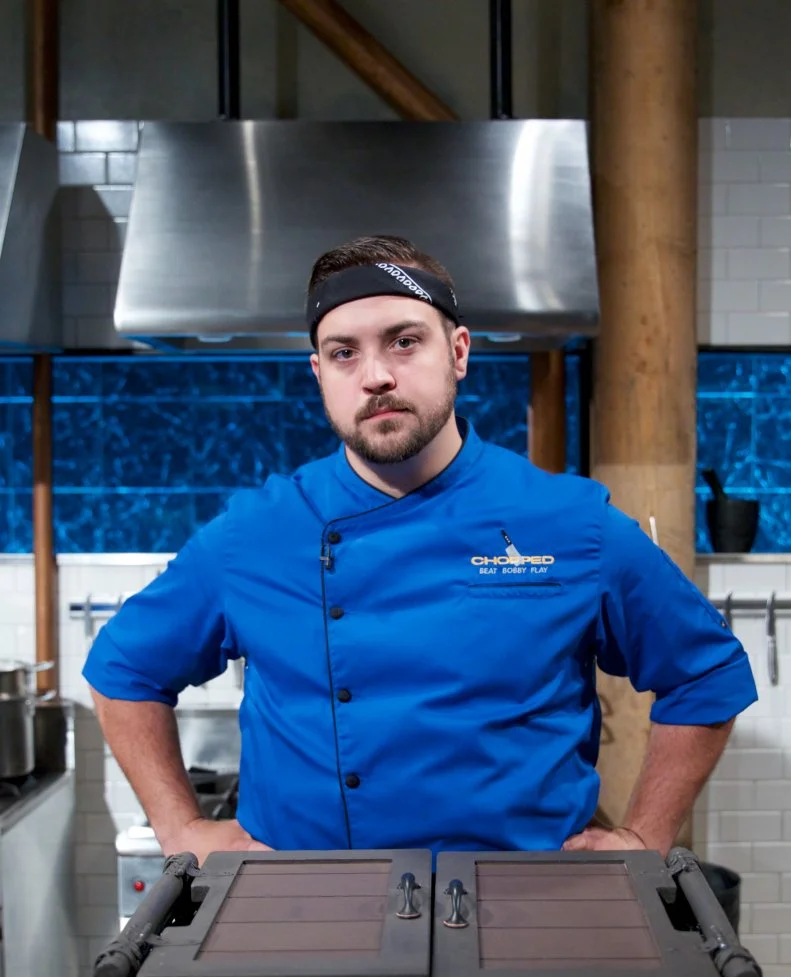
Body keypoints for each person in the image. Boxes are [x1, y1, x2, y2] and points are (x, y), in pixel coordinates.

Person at [83, 234, 757, 866]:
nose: (374, 375)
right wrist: (182, 829)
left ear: (458, 352)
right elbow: (123, 668)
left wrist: (642, 836)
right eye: (344, 353)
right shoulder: (253, 533)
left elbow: (703, 673)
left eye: (404, 342)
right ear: (319, 373)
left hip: (519, 910)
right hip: (308, 913)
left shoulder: (564, 522)